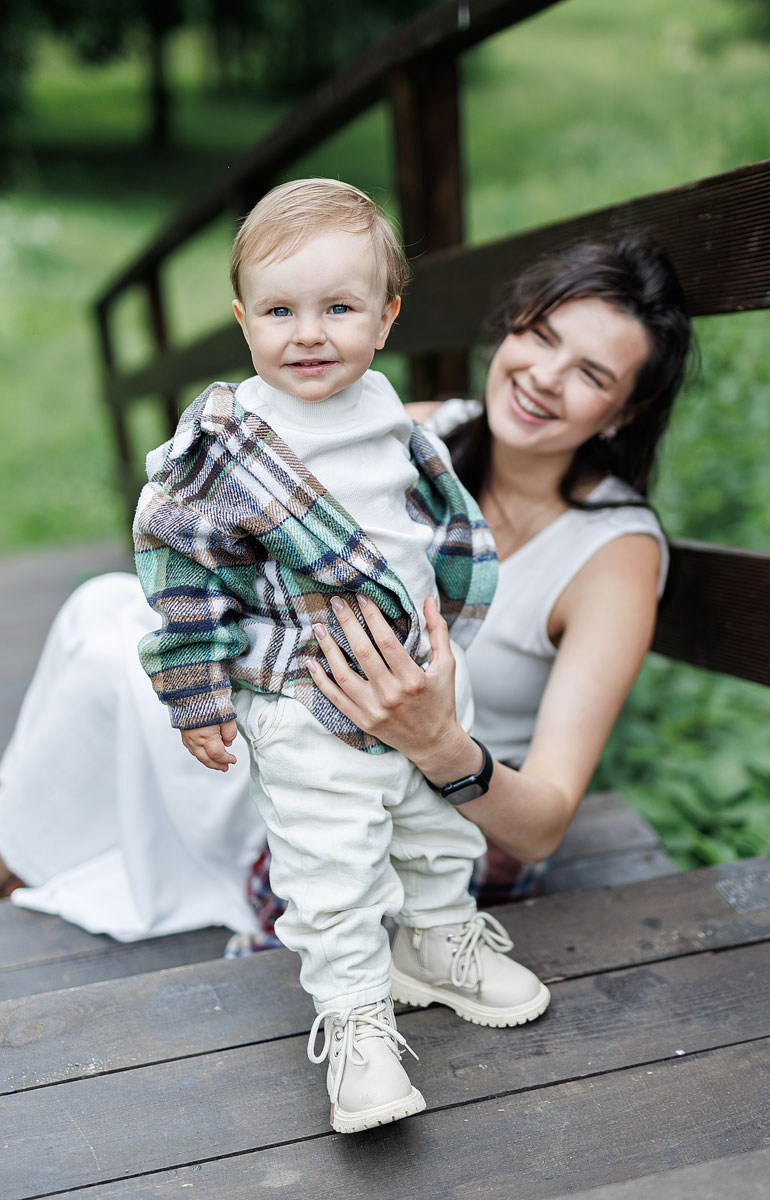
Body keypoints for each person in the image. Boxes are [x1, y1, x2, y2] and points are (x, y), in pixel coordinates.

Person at [0, 233, 691, 1071]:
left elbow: (544, 825)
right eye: (540, 337)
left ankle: (29, 861)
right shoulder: (416, 428)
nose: (545, 376)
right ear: (508, 332)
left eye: (591, 373)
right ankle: (18, 865)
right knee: (105, 614)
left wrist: (435, 740)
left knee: (104, 633)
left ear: (622, 412)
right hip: (303, 739)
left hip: (444, 816)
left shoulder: (613, 553)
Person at [131, 177, 549, 1135]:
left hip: (422, 674)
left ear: (386, 316)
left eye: (339, 308)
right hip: (305, 695)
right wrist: (197, 698)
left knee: (438, 829)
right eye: (279, 310)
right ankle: (355, 1022)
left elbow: (418, 506)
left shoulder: (383, 408)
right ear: (242, 321)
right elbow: (179, 574)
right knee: (332, 866)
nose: (308, 334)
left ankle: (441, 941)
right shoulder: (226, 445)